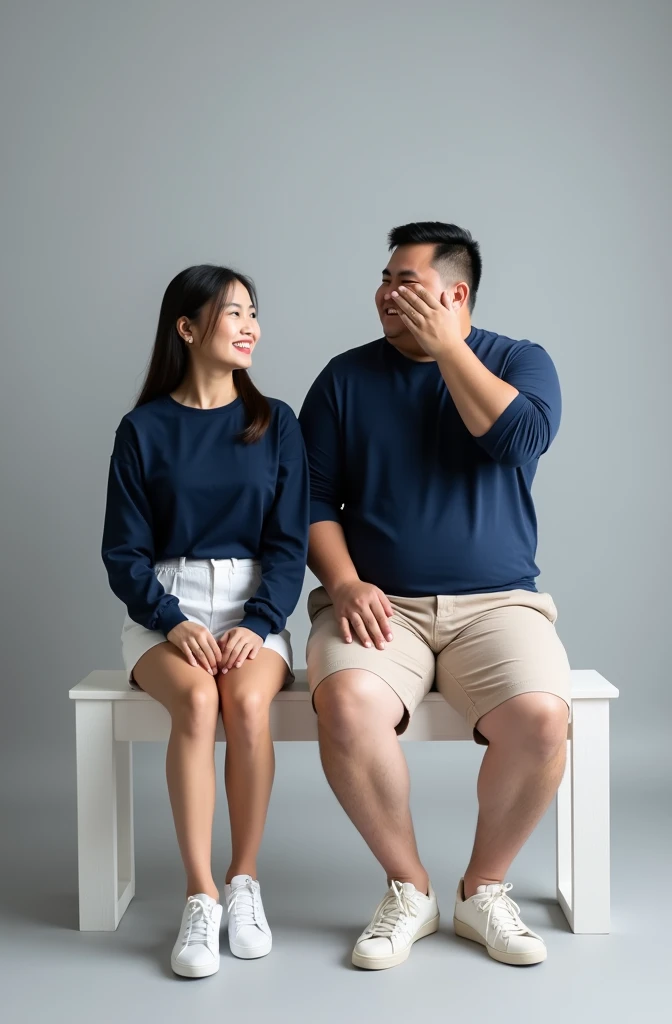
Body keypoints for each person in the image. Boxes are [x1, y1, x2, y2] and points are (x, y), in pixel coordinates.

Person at [298, 222, 570, 970]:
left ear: (455, 295)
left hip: (500, 605)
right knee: (347, 704)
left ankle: (483, 891)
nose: (385, 294)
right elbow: (312, 499)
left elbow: (515, 440)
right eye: (384, 278)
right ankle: (408, 889)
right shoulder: (345, 379)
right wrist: (345, 581)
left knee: (545, 718)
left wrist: (449, 349)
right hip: (379, 603)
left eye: (405, 282)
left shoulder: (519, 360)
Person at [101, 265, 309, 978]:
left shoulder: (276, 422)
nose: (250, 326)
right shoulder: (143, 429)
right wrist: (170, 620)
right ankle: (201, 895)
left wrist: (260, 620)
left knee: (248, 704)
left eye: (255, 312)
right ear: (187, 329)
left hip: (257, 607)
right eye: (233, 314)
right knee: (195, 700)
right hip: (165, 605)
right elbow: (122, 552)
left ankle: (244, 881)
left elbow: (289, 543)